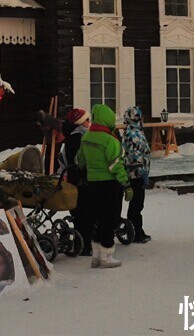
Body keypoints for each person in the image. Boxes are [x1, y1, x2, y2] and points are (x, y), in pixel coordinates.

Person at [75, 104, 130, 269]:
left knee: (97, 219)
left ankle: (96, 256)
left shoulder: (86, 139)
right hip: (109, 184)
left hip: (92, 184)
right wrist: (126, 183)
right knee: (109, 219)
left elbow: (79, 161)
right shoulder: (110, 140)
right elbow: (116, 165)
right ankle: (107, 255)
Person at [59, 108, 92, 256]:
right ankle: (84, 244)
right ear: (80, 122)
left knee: (80, 212)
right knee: (84, 212)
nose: (89, 123)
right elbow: (80, 160)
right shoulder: (79, 137)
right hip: (81, 179)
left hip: (75, 178)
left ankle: (82, 242)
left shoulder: (72, 136)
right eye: (87, 120)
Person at [121, 106, 151, 243]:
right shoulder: (133, 133)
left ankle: (135, 230)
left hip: (137, 172)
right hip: (135, 174)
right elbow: (133, 155)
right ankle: (136, 232)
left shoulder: (134, 131)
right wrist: (142, 172)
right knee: (137, 204)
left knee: (137, 204)